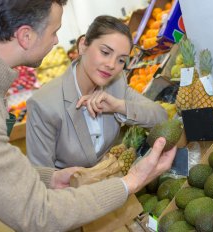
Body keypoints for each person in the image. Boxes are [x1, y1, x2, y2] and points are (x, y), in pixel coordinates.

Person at [0, 1, 176, 231]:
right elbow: (37, 212)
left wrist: (50, 178)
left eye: (121, 59)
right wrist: (131, 181)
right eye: (54, 31)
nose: (56, 41)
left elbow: (2, 176)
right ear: (25, 36)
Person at [26, 15, 168, 169]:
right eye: (105, 52)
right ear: (83, 46)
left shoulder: (116, 83)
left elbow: (161, 117)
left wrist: (118, 106)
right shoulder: (44, 104)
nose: (111, 65)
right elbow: (41, 177)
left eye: (121, 60)